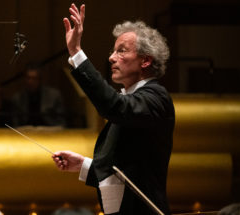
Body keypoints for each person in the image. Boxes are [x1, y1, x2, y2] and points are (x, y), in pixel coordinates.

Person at [52, 3, 174, 215]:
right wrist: (82, 165)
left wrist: (77, 53)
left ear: (145, 60)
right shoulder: (131, 102)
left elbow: (115, 107)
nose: (111, 58)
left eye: (121, 51)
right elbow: (124, 171)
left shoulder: (156, 98)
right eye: (113, 51)